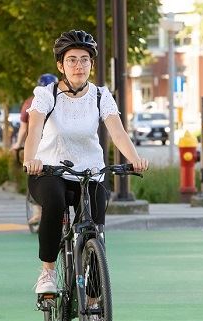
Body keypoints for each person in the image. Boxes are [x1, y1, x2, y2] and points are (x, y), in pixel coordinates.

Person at [22, 30, 149, 295]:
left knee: (94, 230)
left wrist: (135, 160)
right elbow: (34, 129)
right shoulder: (46, 95)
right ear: (61, 65)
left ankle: (94, 302)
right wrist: (30, 159)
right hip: (49, 170)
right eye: (71, 60)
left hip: (90, 172)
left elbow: (117, 132)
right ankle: (48, 273)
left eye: (84, 59)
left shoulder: (101, 96)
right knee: (55, 202)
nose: (78, 65)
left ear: (91, 63)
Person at [11, 73, 58, 225]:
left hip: (37, 145)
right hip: (58, 145)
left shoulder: (31, 102)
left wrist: (18, 144)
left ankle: (38, 213)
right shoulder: (64, 99)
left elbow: (24, 128)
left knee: (35, 174)